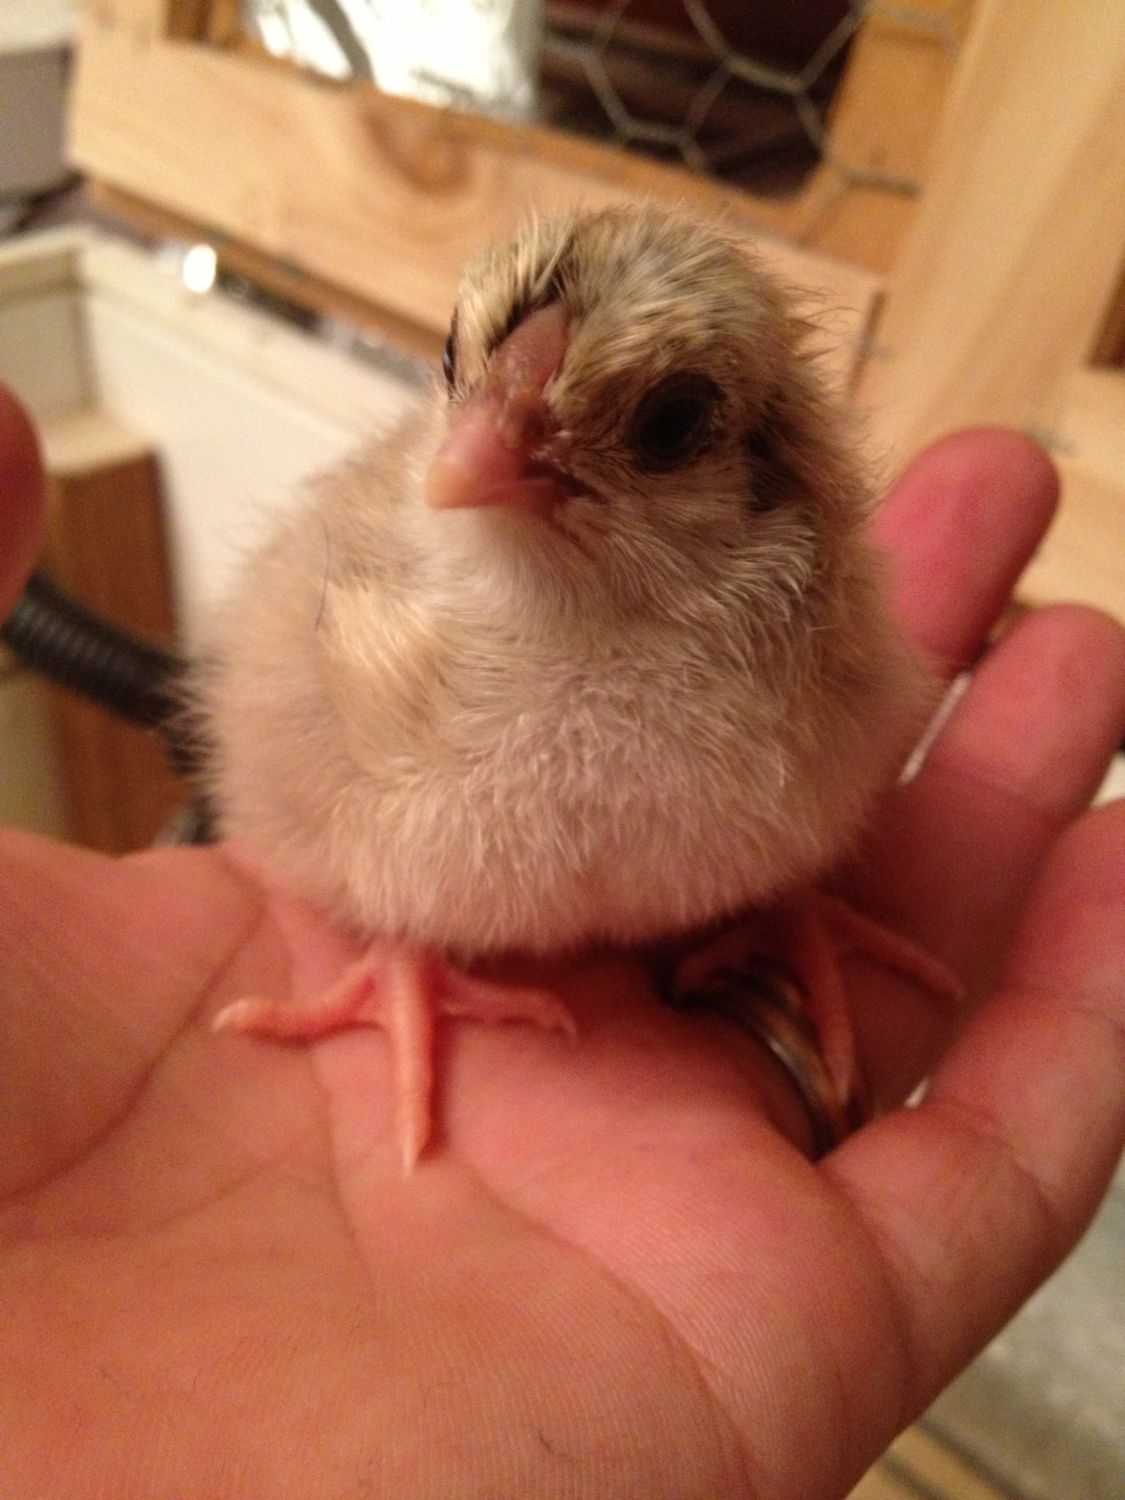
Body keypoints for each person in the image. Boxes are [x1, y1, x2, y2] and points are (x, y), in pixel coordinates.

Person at [1, 379, 1122, 1499]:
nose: (479, 446)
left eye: (662, 425)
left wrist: (790, 883)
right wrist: (394, 937)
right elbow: (261, 740)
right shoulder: (398, 596)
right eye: (471, 376)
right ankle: (405, 948)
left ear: (765, 472)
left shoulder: (804, 627)